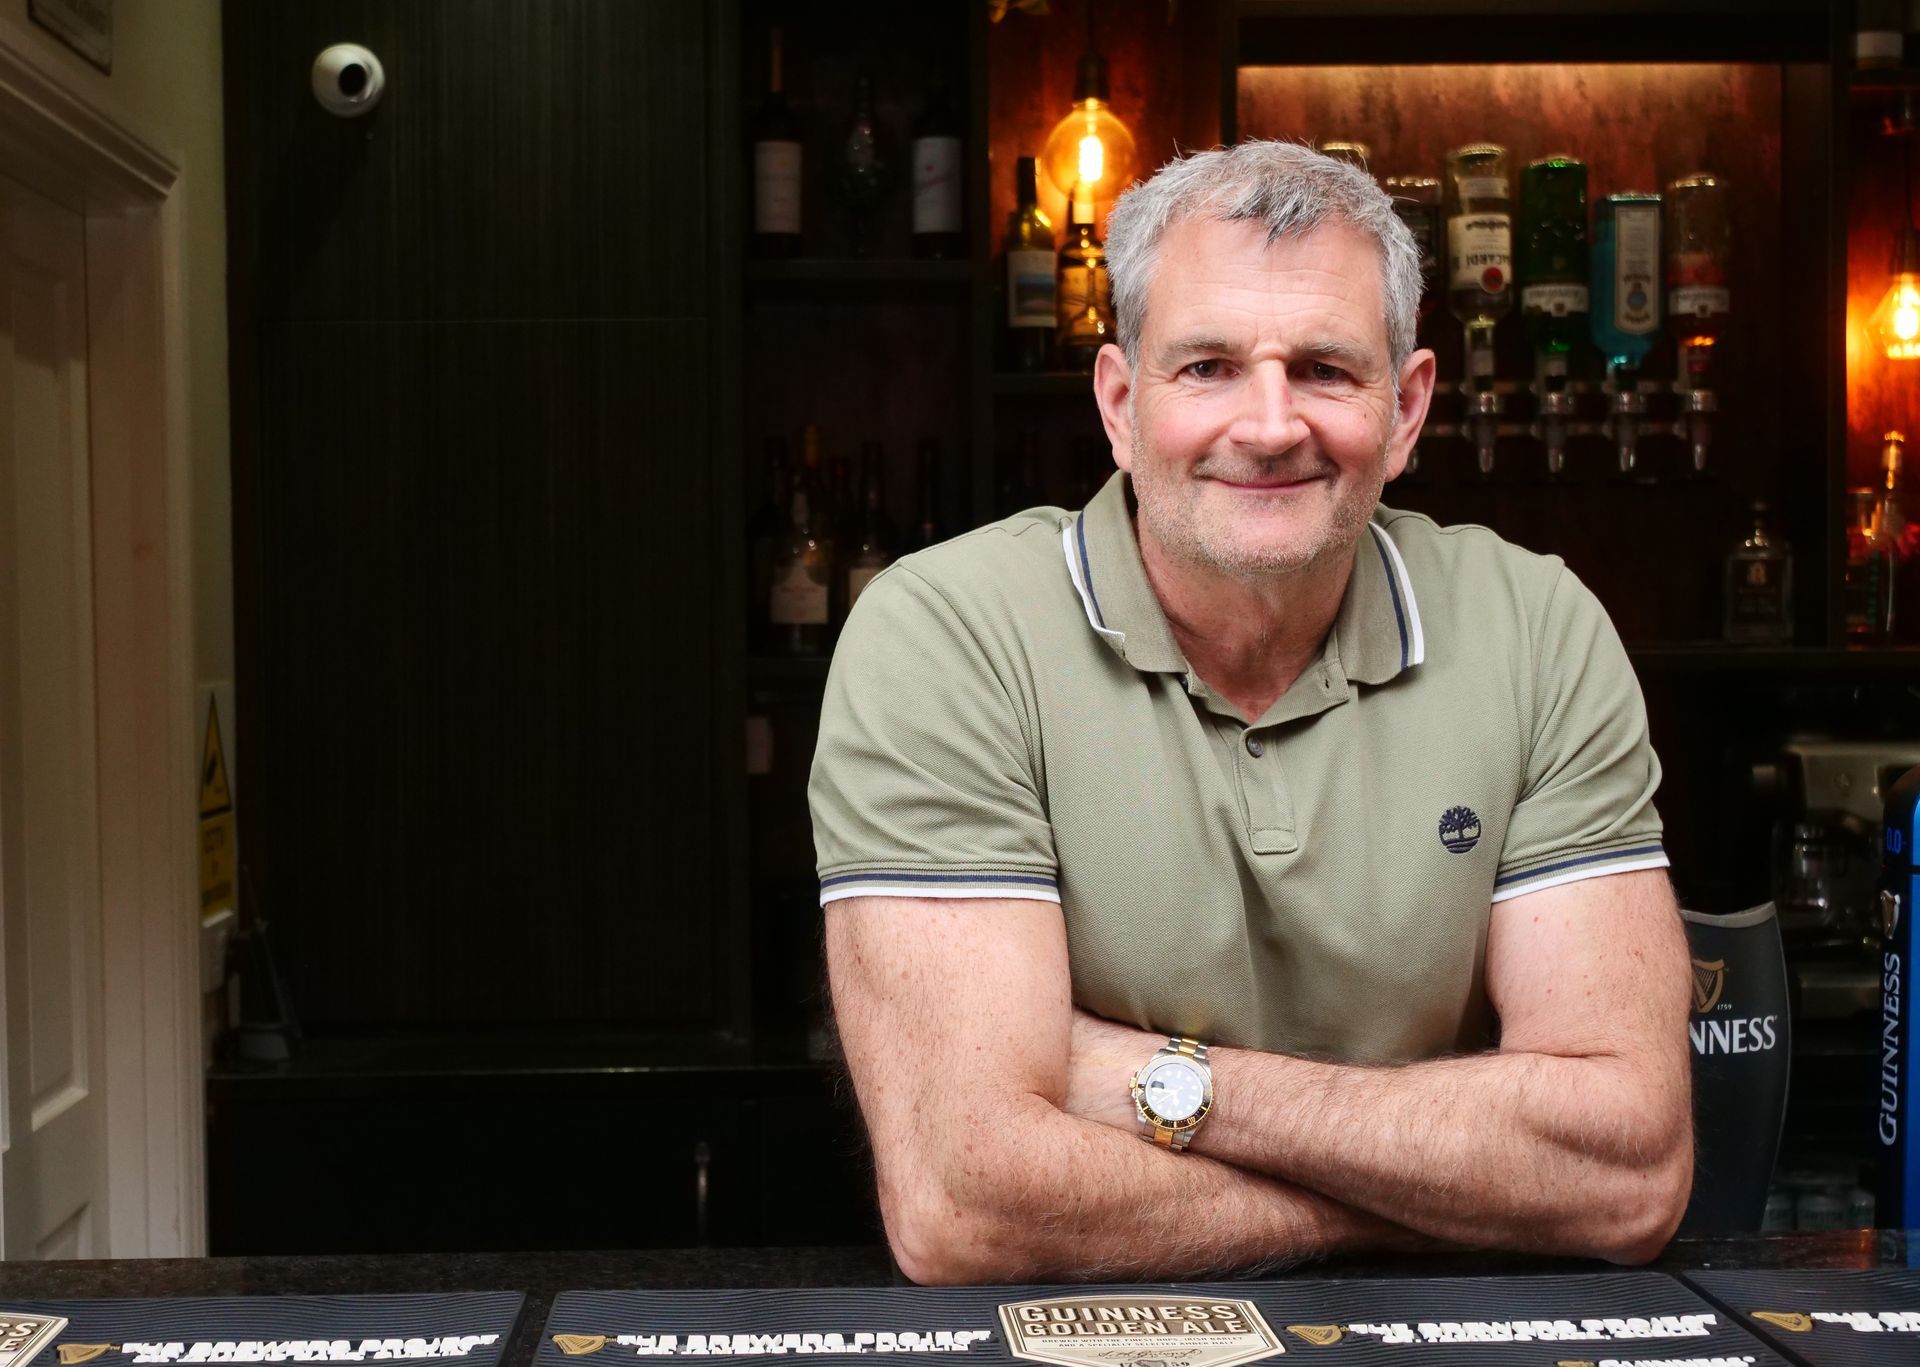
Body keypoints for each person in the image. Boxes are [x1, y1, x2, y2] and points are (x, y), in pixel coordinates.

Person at [808, 141, 1692, 1284]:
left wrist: (1149, 1078)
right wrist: (1428, 1190)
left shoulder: (1535, 623)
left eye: (1324, 368)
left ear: (1409, 407)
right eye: (1209, 367)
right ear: (1121, 406)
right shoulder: (945, 633)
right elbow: (967, 1200)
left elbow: (1625, 1170)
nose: (1270, 425)